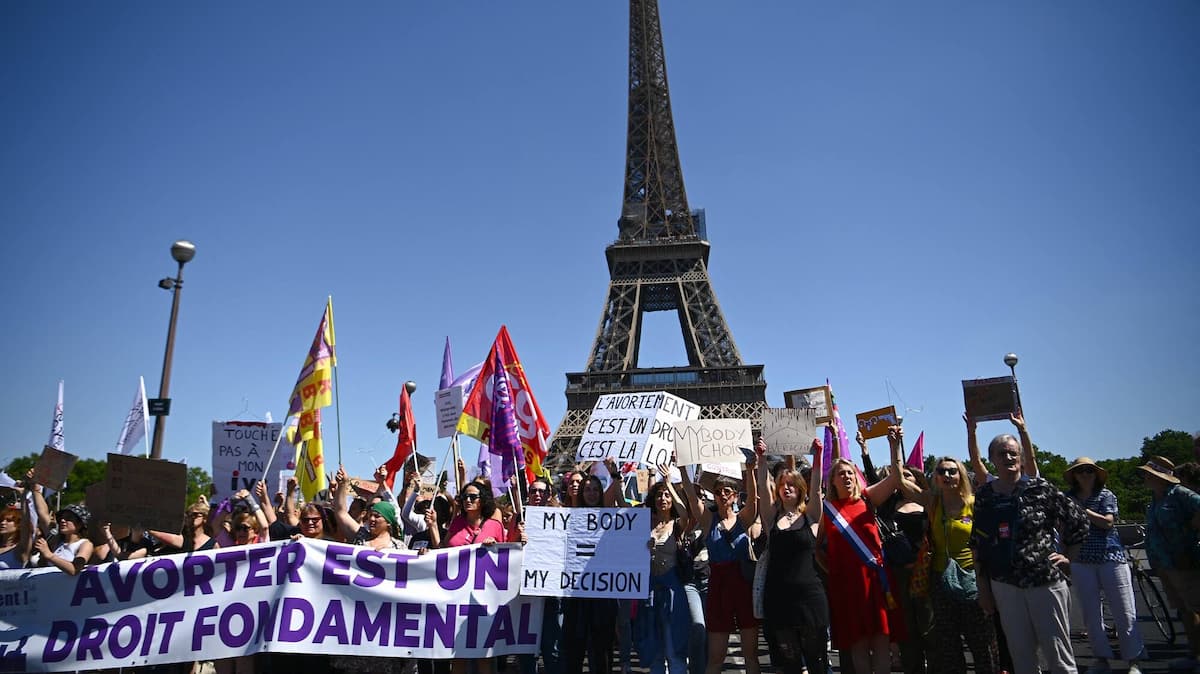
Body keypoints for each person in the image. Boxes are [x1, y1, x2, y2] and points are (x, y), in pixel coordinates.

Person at [970, 429, 1088, 674]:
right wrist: (984, 591)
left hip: (1044, 581)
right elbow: (978, 545)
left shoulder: (1040, 488)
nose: (1009, 458)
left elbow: (1078, 521)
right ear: (992, 459)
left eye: (1013, 453)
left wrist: (1068, 557)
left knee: (1059, 656)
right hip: (1005, 584)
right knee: (1021, 657)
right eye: (1002, 454)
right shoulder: (984, 496)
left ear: (1022, 458)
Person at [818, 426, 904, 674]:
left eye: (850, 473)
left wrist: (893, 445)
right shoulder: (827, 510)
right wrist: (835, 571)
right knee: (857, 644)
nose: (847, 477)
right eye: (841, 474)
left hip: (874, 581)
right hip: (846, 585)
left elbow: (896, 478)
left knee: (880, 640)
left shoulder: (867, 498)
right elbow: (817, 551)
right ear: (832, 480)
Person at [902, 455, 1000, 673]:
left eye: (952, 471)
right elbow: (900, 482)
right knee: (949, 645)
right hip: (940, 580)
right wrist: (893, 446)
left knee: (982, 643)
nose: (946, 475)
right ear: (935, 477)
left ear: (961, 475)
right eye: (941, 472)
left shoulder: (975, 504)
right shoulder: (933, 503)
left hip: (974, 580)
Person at [677, 451, 760, 674]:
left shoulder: (744, 518)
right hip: (719, 588)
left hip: (742, 585)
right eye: (718, 492)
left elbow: (752, 498)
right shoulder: (708, 521)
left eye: (727, 491)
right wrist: (684, 468)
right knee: (715, 657)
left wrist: (751, 470)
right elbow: (693, 500)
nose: (722, 495)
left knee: (751, 655)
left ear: (734, 496)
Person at [1063, 457, 1144, 674]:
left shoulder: (1106, 495)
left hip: (1111, 557)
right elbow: (1063, 527)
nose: (1085, 474)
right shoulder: (1067, 498)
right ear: (1074, 476)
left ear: (1096, 474)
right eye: (1081, 471)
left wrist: (1082, 510)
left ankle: (1133, 660)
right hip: (1081, 559)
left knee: (1124, 610)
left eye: (1089, 470)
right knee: (1090, 614)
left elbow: (1108, 522)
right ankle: (1101, 658)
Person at [757, 437, 827, 674]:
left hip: (810, 599)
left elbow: (817, 487)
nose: (786, 488)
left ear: (800, 490)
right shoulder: (771, 519)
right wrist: (761, 459)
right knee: (789, 665)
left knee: (817, 663)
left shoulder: (812, 517)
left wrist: (818, 455)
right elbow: (761, 490)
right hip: (779, 600)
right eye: (782, 484)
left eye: (792, 484)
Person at [561, 461, 623, 674]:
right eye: (587, 489)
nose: (592, 493)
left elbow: (624, 511)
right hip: (575, 595)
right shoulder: (566, 517)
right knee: (574, 649)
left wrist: (615, 475)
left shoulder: (609, 516)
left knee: (601, 651)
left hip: (602, 595)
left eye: (596, 489)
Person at [1140, 455, 1200, 669]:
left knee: (1195, 607)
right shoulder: (1156, 499)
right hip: (1164, 562)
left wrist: (1189, 529)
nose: (1144, 477)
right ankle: (1194, 655)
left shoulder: (1180, 494)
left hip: (1182, 560)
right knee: (1183, 610)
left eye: (1148, 474)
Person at [634, 465, 695, 674]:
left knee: (674, 647)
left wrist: (669, 482)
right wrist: (617, 480)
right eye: (659, 495)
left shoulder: (678, 525)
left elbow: (686, 513)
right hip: (650, 592)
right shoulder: (645, 523)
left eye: (667, 495)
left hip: (672, 591)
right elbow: (623, 508)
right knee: (654, 649)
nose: (663, 498)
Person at [149, 498, 218, 553]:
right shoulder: (184, 538)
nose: (191, 517)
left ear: (205, 518)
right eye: (189, 514)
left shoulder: (213, 545)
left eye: (195, 514)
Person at [0, 495, 32, 570]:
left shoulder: (20, 549)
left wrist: (23, 495)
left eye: (9, 520)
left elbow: (26, 525)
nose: (2, 523)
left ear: (19, 524)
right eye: (1, 520)